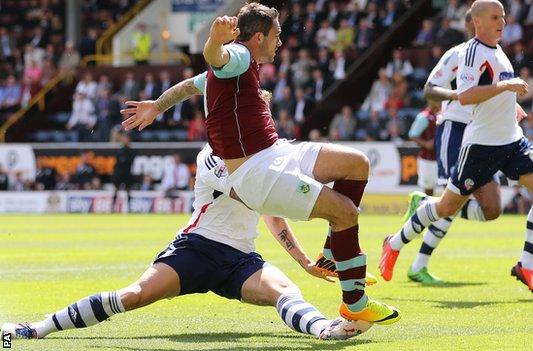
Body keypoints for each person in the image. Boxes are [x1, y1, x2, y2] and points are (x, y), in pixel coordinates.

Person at [122, 3, 400, 326]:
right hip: (258, 171)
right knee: (346, 213)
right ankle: (355, 303)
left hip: (277, 151)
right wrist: (214, 41)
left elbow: (190, 84)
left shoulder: (240, 66)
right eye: (276, 36)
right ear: (257, 37)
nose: (280, 42)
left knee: (357, 164)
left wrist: (156, 105)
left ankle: (334, 254)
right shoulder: (238, 57)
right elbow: (216, 56)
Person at [1, 144, 371, 341]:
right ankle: (37, 327)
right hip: (196, 249)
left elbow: (271, 214)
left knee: (286, 291)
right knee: (133, 297)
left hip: (241, 259)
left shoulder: (267, 158)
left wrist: (305, 262)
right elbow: (258, 198)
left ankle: (328, 329)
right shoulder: (211, 155)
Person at [386, 0, 533, 297]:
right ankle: (396, 244)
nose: (502, 22)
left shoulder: (498, 50)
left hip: (511, 139)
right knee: (445, 207)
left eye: (503, 16)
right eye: (495, 17)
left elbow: (494, 85)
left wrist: (510, 104)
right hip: (477, 142)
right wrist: (506, 89)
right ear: (475, 22)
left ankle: (526, 265)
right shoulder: (468, 52)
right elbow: (462, 96)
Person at [379, 9, 504, 284]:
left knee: (492, 209)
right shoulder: (456, 54)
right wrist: (456, 95)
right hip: (456, 129)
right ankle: (417, 264)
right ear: (472, 23)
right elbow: (429, 90)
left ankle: (424, 203)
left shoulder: (498, 55)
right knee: (451, 203)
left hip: (485, 133)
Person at [407, 101, 440, 196]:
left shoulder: (444, 114)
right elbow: (412, 135)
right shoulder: (424, 117)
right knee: (429, 189)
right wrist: (425, 144)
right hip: (428, 160)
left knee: (447, 187)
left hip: (442, 159)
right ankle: (427, 209)